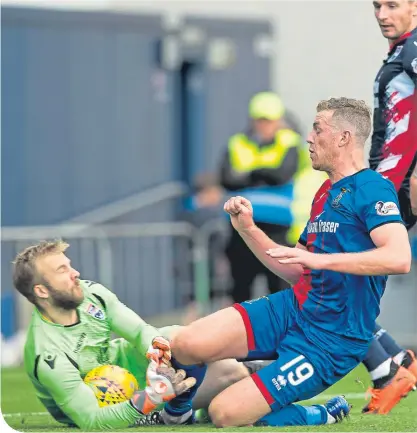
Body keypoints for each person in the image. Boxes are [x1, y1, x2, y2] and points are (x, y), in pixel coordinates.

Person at [158, 97, 413, 428]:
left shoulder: (372, 188)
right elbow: (296, 269)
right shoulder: (325, 191)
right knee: (185, 343)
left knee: (225, 415)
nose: (308, 137)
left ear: (344, 138)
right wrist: (248, 230)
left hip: (331, 341)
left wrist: (318, 260)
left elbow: (398, 257)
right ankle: (177, 413)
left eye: (317, 129)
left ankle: (323, 412)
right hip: (292, 309)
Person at [12, 240, 252, 430]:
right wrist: (150, 398)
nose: (74, 272)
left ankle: (254, 363)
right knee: (230, 379)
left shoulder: (91, 293)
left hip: (124, 368)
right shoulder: (48, 355)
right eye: (62, 270)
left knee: (186, 344)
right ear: (41, 291)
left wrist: (158, 356)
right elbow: (91, 419)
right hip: (101, 399)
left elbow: (139, 331)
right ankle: (168, 414)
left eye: (70, 264)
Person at [361, 0, 417, 414]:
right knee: (339, 280)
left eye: (392, 4)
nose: (382, 13)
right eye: (376, 5)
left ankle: (389, 366)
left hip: (400, 186)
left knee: (328, 273)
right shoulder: (400, 51)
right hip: (382, 185)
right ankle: (391, 364)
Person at [219, 91, 305, 303]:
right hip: (240, 227)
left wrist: (249, 173)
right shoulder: (236, 143)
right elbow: (227, 179)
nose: (265, 125)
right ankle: (239, 335)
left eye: (270, 120)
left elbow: (282, 174)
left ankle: (279, 335)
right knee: (240, 289)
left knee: (279, 289)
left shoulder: (290, 142)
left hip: (277, 229)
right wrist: (265, 173)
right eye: (261, 120)